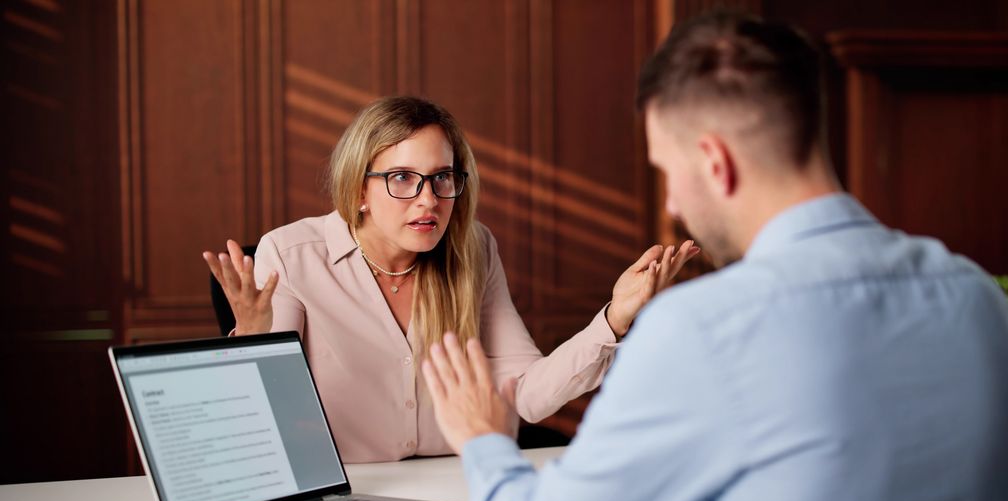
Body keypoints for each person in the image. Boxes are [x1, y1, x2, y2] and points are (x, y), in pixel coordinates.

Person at [421, 12, 1008, 501]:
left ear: (715, 161)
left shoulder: (703, 329)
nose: (673, 203)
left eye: (668, 172)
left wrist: (483, 439)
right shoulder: (975, 297)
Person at [203, 95, 700, 463]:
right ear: (358, 190)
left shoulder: (473, 248)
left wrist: (614, 319)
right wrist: (251, 334)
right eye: (401, 178)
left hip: (458, 490)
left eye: (443, 177)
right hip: (347, 498)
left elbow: (527, 394)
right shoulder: (291, 255)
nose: (428, 199)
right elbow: (261, 424)